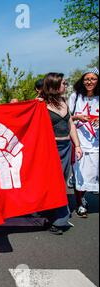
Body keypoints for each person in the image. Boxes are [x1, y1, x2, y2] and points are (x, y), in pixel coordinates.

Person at [40, 72, 83, 234]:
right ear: (54, 85)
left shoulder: (64, 101)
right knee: (54, 184)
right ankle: (58, 220)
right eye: (63, 83)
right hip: (50, 149)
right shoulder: (41, 104)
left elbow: (70, 123)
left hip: (66, 146)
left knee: (62, 182)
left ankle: (52, 216)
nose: (66, 85)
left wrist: (77, 145)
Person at [68, 68, 99, 217]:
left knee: (91, 174)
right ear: (82, 80)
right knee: (80, 173)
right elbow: (67, 117)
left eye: (93, 79)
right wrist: (78, 117)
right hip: (79, 140)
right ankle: (80, 203)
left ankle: (82, 192)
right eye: (87, 79)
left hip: (96, 143)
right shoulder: (75, 96)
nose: (89, 82)